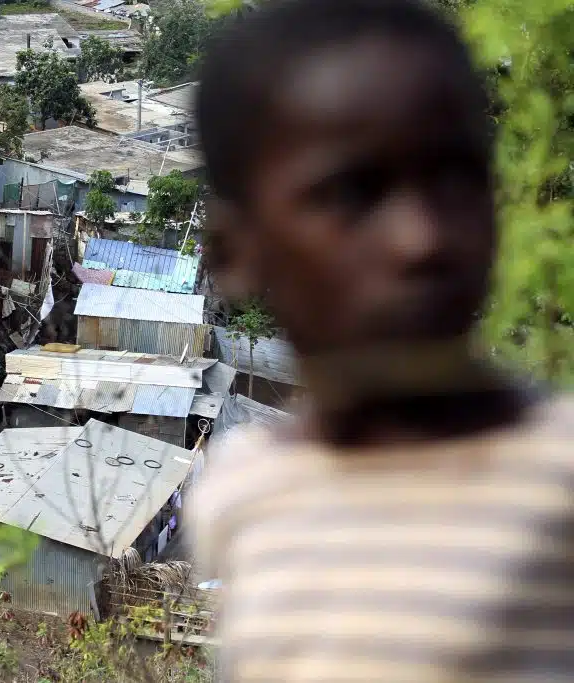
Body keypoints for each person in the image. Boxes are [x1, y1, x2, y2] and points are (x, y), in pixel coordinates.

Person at [192, 0, 574, 681]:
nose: (422, 238)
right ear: (235, 252)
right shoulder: (243, 490)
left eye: (457, 177)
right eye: (353, 193)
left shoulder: (558, 474)